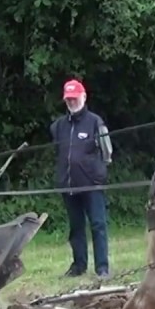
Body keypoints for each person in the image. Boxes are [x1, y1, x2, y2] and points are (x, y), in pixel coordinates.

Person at [49, 78, 112, 278]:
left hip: (92, 184)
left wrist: (96, 173)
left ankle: (102, 267)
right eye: (68, 99)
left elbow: (107, 152)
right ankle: (78, 266)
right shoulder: (58, 126)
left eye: (75, 98)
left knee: (98, 224)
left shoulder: (95, 122)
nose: (72, 102)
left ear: (84, 97)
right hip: (68, 185)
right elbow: (58, 151)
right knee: (76, 227)